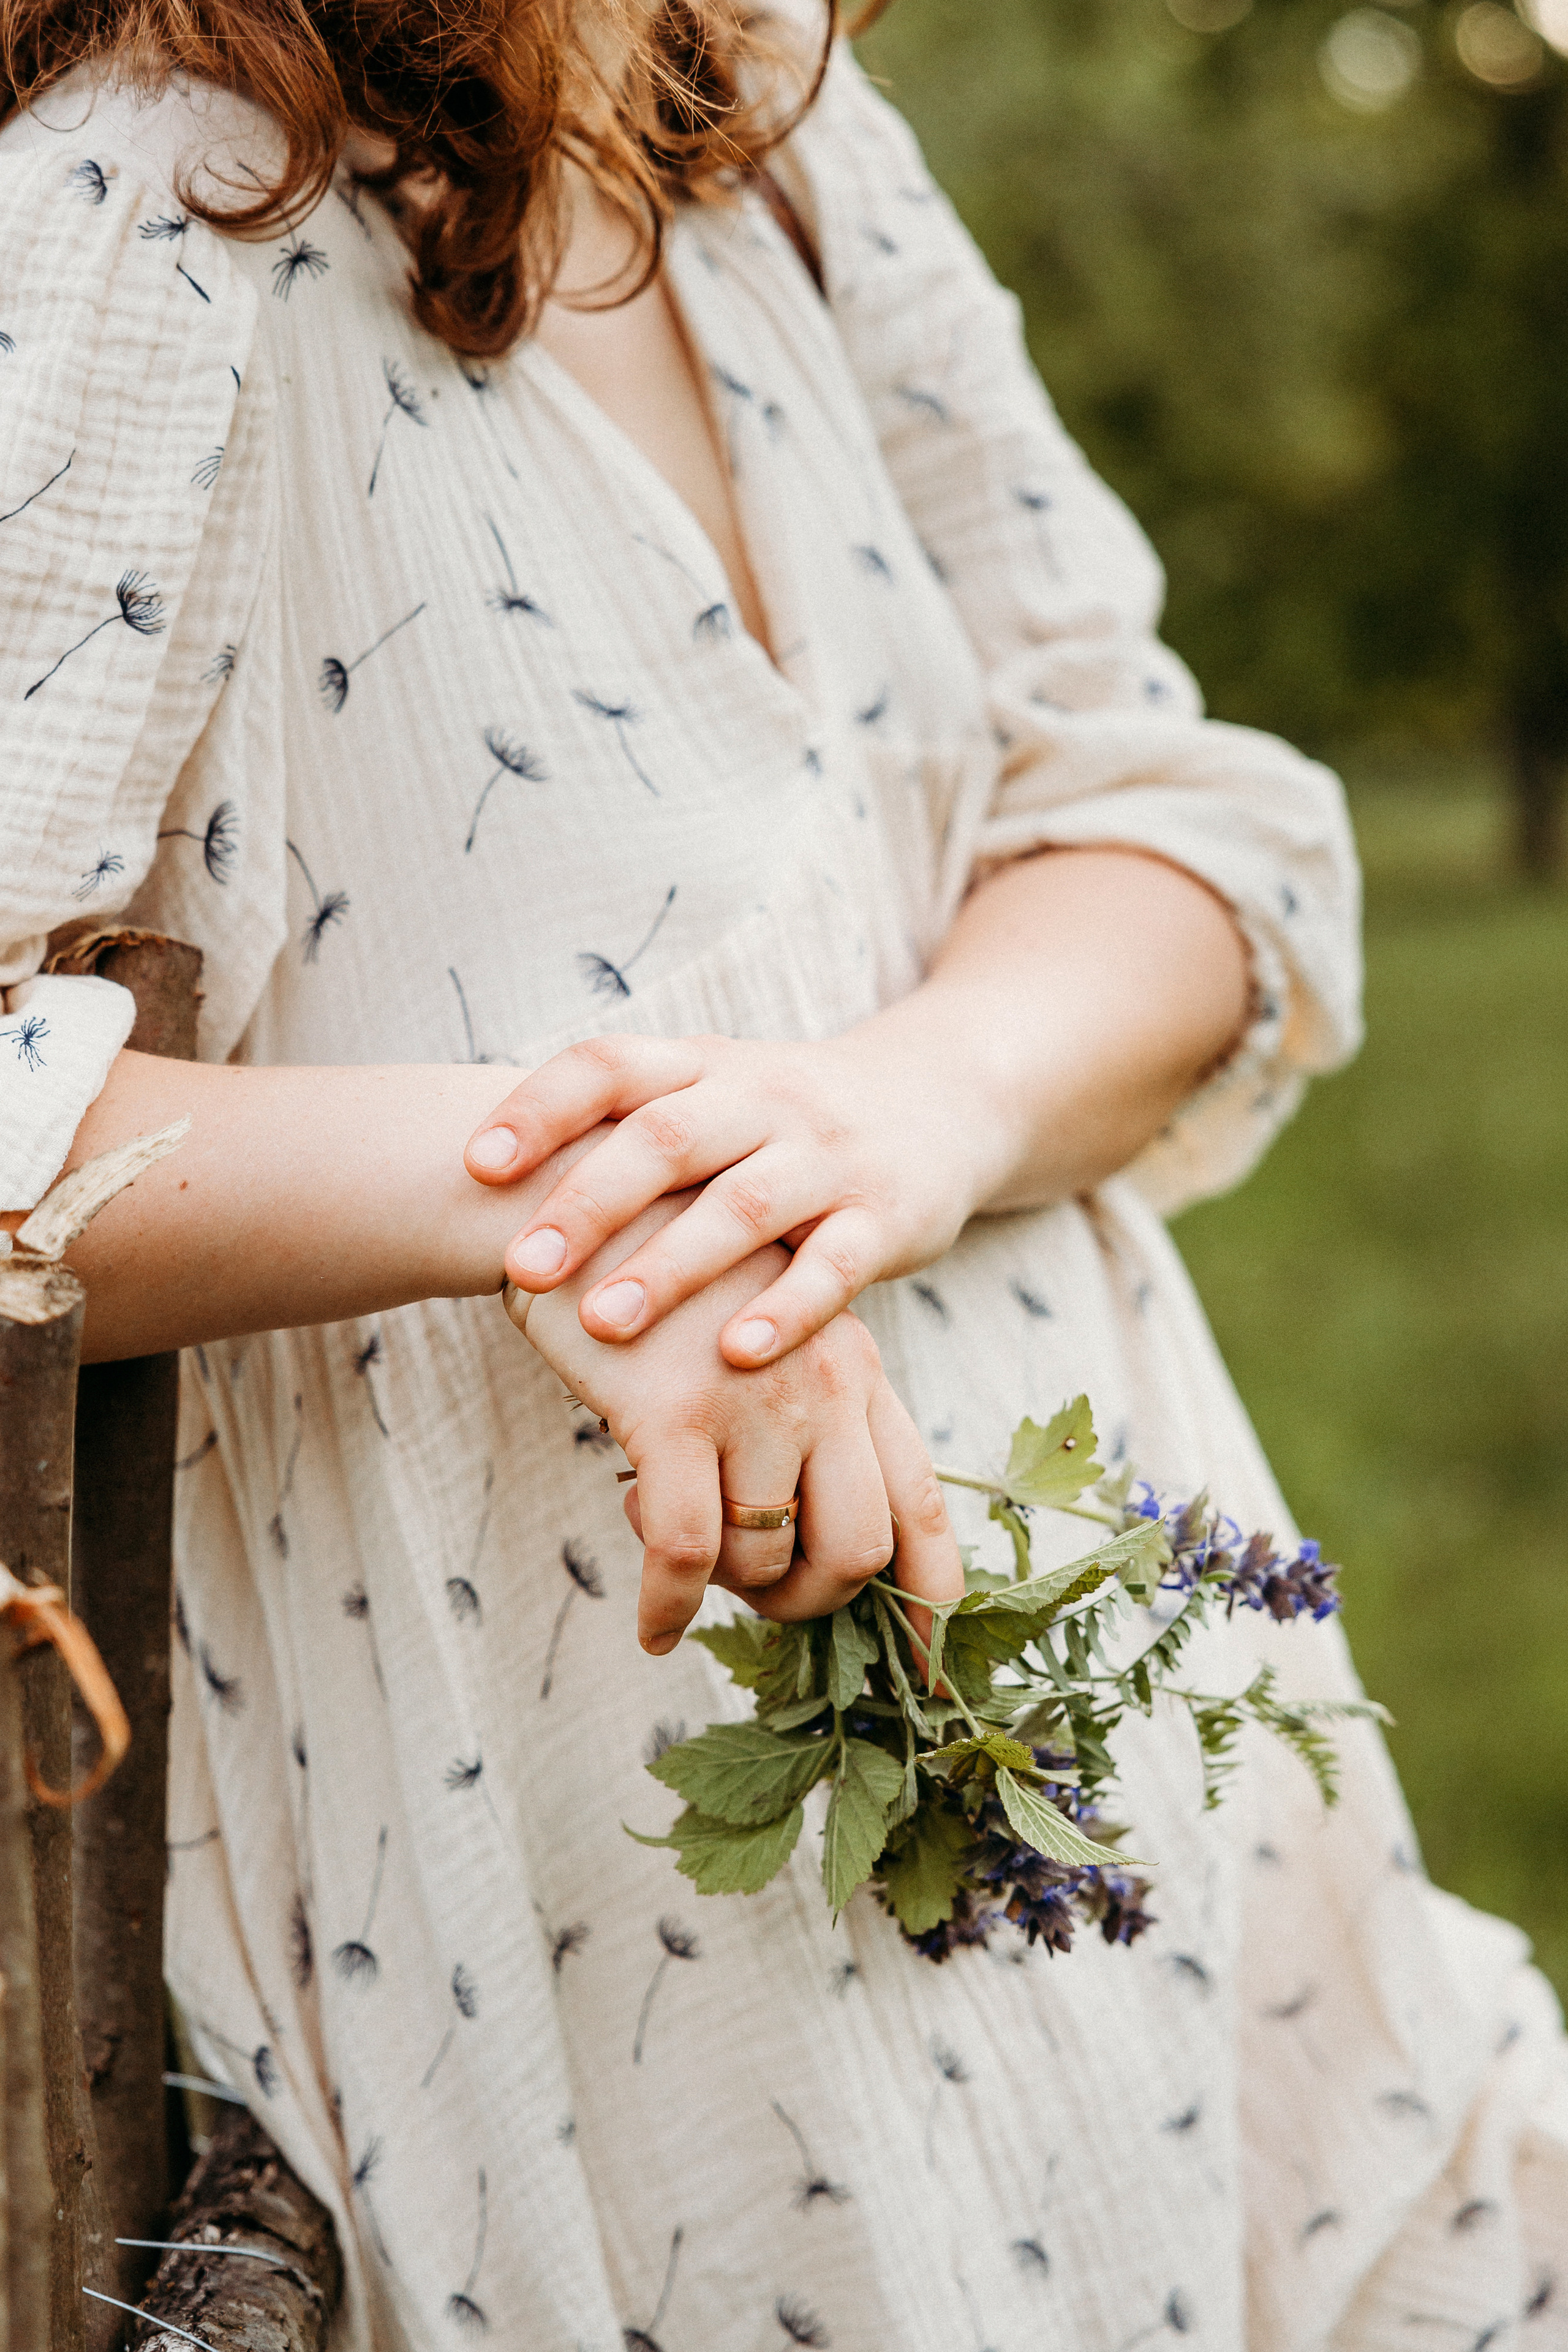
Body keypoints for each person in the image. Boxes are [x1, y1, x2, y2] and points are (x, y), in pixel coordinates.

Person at [1, 1, 1562, 2342]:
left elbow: (1170, 814)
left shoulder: (773, 154)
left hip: (1204, 1899)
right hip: (654, 2003)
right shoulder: (148, 206)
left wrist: (907, 1107)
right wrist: (579, 1202)